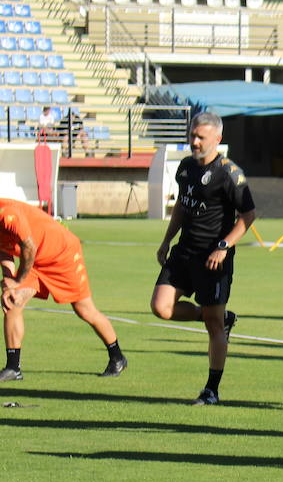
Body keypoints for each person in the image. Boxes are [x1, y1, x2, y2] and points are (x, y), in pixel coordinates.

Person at [151, 110, 255, 405]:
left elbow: (249, 214)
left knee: (213, 326)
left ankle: (211, 389)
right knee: (161, 307)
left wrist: (223, 246)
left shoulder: (229, 173)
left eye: (200, 137)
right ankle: (221, 319)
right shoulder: (184, 168)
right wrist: (166, 240)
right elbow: (182, 207)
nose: (194, 142)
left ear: (217, 139)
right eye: (192, 135)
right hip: (184, 251)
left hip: (213, 259)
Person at [0, 198, 126, 382]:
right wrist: (8, 282)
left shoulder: (8, 214)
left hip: (62, 254)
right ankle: (13, 368)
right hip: (35, 260)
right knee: (11, 303)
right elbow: (4, 249)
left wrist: (18, 281)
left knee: (84, 310)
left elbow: (29, 246)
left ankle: (117, 357)